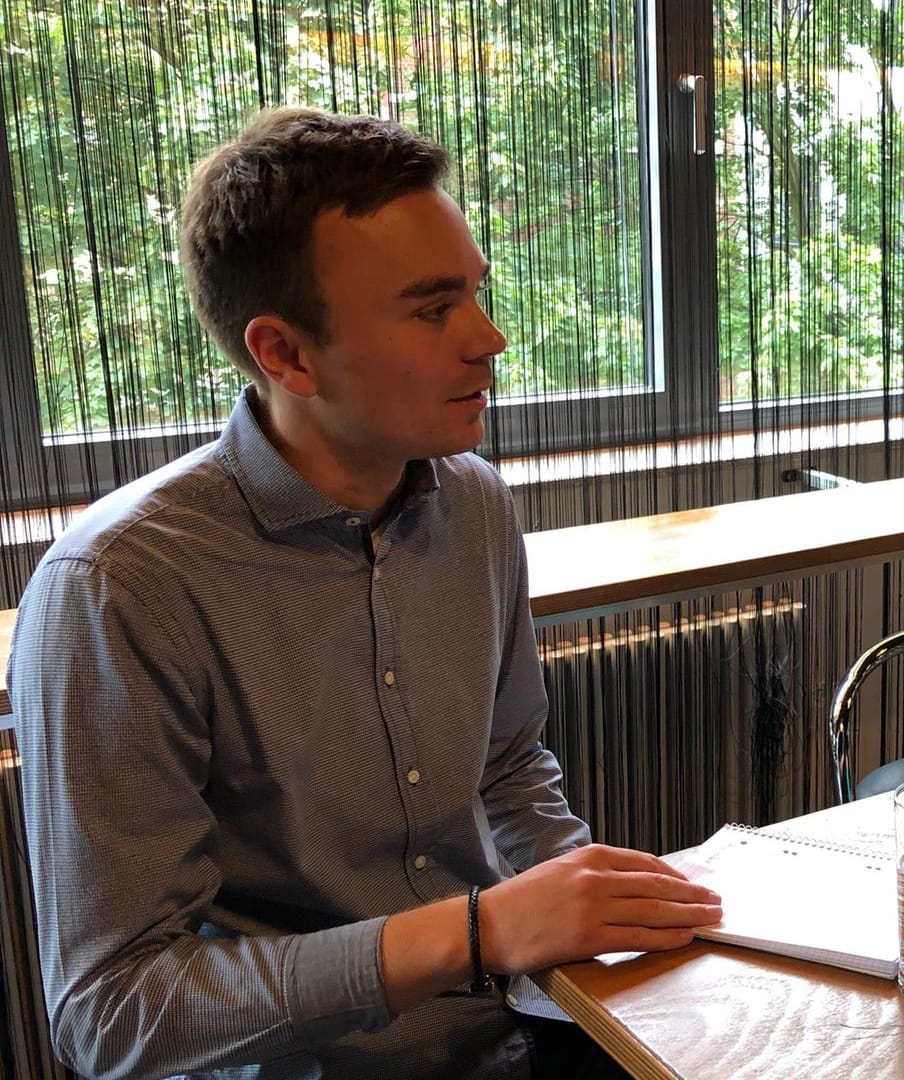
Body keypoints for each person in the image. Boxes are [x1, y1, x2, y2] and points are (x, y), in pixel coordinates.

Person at [6, 108, 722, 1079]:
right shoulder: (121, 588)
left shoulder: (472, 504)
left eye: (477, 293)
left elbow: (507, 765)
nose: (490, 337)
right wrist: (472, 935)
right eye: (434, 310)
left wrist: (596, 917)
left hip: (516, 1033)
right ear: (285, 354)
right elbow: (111, 1014)